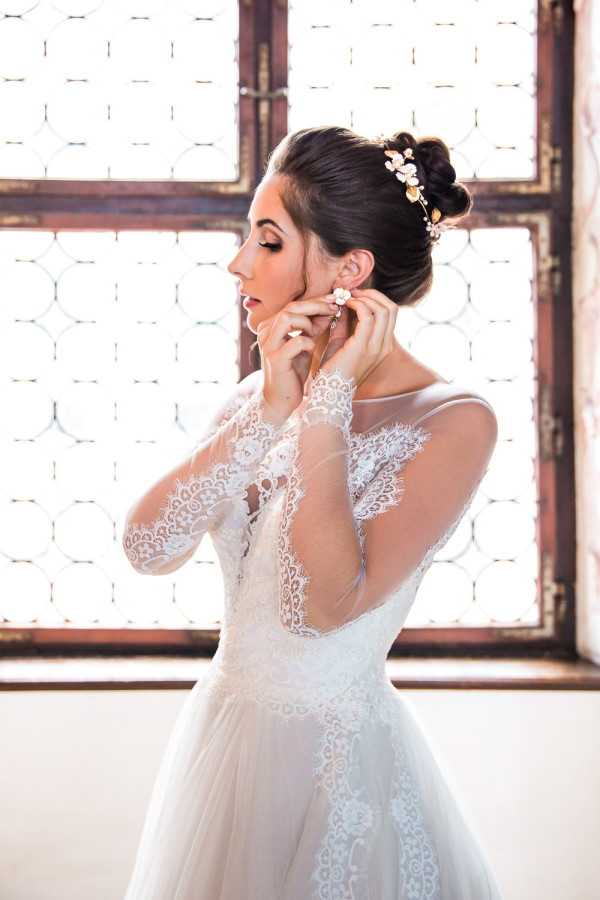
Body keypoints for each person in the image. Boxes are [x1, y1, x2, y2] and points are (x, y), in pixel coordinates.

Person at [122, 126, 503, 899]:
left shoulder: (455, 420)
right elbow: (148, 547)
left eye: (267, 240)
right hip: (223, 748)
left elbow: (322, 606)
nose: (238, 263)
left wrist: (327, 400)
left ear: (349, 270)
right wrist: (268, 411)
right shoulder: (261, 395)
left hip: (340, 776)